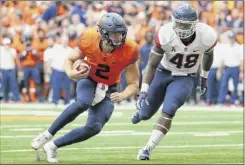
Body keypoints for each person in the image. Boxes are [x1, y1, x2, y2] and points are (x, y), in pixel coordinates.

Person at [31, 13, 139, 163]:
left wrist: (123, 95)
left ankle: (52, 146)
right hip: (89, 78)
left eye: (120, 33)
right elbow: (70, 59)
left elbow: (134, 84)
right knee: (83, 102)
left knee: (94, 127)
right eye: (114, 33)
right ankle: (46, 134)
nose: (118, 38)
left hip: (110, 87)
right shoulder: (89, 38)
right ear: (102, 33)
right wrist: (71, 72)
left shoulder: (130, 49)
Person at [131, 3, 217, 160]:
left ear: (194, 24)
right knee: (145, 114)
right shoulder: (165, 33)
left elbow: (208, 56)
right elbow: (151, 65)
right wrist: (143, 91)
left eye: (185, 24)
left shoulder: (207, 35)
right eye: (178, 23)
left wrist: (203, 78)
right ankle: (141, 114)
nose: (181, 27)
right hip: (162, 73)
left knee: (169, 110)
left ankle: (148, 148)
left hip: (185, 77)